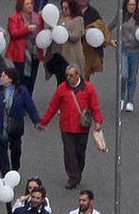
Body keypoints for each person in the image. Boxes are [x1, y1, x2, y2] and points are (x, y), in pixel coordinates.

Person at [36, 60, 104, 189]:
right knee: (69, 153)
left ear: (78, 75)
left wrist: (98, 122)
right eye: (67, 75)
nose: (68, 78)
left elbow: (94, 106)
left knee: (80, 152)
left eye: (71, 75)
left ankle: (78, 172)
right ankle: (73, 177)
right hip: (66, 127)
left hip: (82, 127)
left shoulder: (88, 88)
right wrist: (43, 122)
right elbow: (53, 106)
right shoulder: (61, 89)